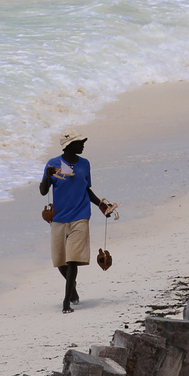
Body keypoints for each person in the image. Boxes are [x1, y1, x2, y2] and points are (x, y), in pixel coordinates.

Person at [38, 134, 118, 313]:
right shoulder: (53, 164)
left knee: (72, 259)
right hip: (58, 218)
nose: (82, 146)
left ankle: (66, 302)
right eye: (79, 143)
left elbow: (86, 189)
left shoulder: (85, 164)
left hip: (80, 216)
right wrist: (47, 177)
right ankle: (72, 288)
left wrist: (101, 206)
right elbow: (43, 191)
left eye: (82, 143)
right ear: (68, 146)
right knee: (60, 262)